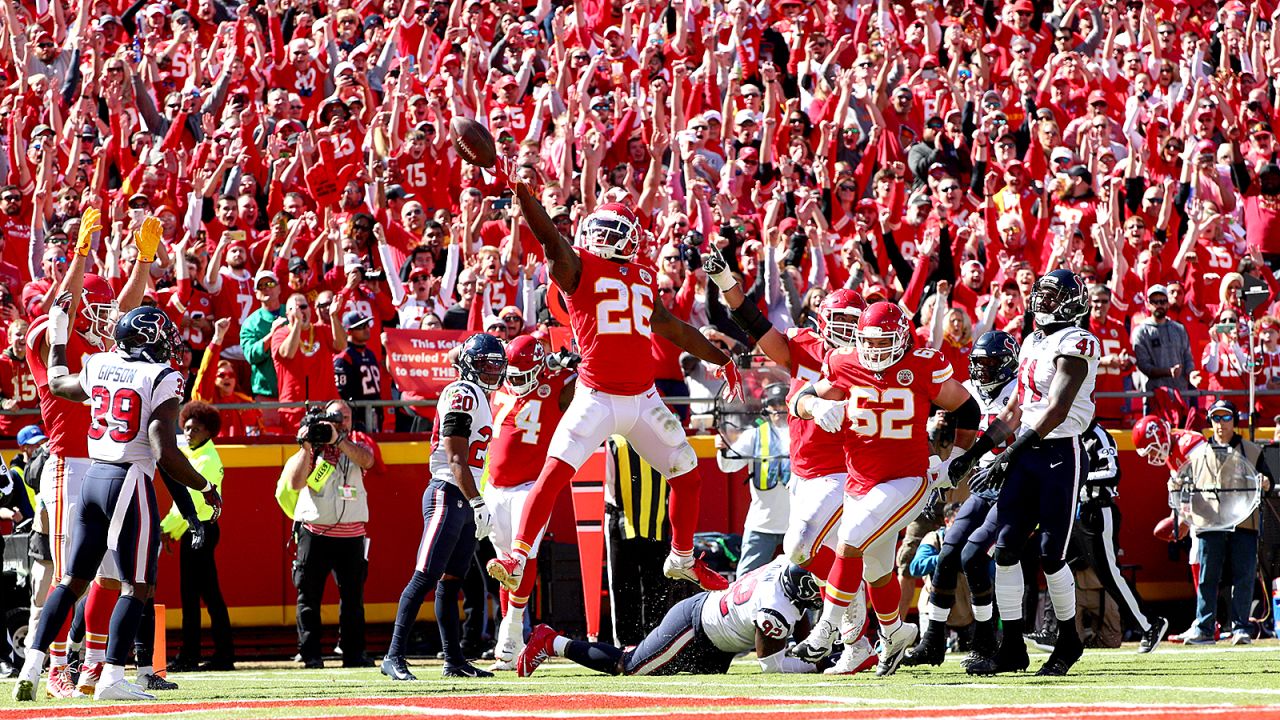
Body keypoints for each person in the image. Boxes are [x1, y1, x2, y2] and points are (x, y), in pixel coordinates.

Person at [487, 186, 739, 597]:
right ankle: (517, 556)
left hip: (643, 398)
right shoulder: (577, 267)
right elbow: (549, 236)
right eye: (599, 229)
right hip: (596, 395)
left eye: (611, 230)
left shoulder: (642, 275)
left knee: (688, 473)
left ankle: (680, 557)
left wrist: (720, 357)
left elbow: (673, 327)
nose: (603, 238)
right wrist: (522, 192)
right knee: (553, 473)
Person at [14, 305, 221, 702]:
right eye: (161, 336)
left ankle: (33, 665)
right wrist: (204, 487)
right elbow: (165, 452)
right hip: (129, 480)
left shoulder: (101, 363)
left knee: (73, 579)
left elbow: (57, 383)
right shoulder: (162, 376)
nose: (168, 345)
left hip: (94, 476)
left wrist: (59, 339)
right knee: (136, 584)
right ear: (147, 340)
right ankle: (110, 676)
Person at [787, 301, 979, 676]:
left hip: (907, 480)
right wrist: (814, 406)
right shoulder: (844, 362)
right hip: (860, 482)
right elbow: (797, 399)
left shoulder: (922, 364)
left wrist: (956, 459)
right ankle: (894, 634)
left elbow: (967, 409)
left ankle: (826, 629)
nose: (875, 351)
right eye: (869, 343)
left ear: (903, 337)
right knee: (877, 571)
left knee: (850, 540)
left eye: (884, 342)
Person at [712, 249, 876, 674]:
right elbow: (760, 329)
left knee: (801, 548)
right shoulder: (804, 345)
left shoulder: (869, 357)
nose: (843, 332)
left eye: (850, 325)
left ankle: (854, 636)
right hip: (804, 472)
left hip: (845, 470)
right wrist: (729, 285)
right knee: (833, 558)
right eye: (836, 323)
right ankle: (861, 642)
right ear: (821, 323)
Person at [960, 270, 1100, 677]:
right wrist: (977, 454)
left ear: (1073, 302)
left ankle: (1068, 641)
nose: (1043, 300)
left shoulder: (1078, 341)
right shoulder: (1031, 341)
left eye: (1053, 295)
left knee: (1051, 555)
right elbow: (1015, 412)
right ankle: (1012, 647)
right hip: (1024, 453)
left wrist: (1006, 458)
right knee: (1004, 550)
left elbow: (1056, 410)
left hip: (1060, 454)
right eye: (1042, 293)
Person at [381, 334, 507, 681]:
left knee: (452, 583)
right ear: (469, 363)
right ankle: (393, 656)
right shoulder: (462, 392)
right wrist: (478, 501)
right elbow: (454, 457)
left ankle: (454, 661)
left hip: (463, 497)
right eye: (485, 364)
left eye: (496, 365)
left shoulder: (481, 395)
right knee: (425, 575)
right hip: (448, 492)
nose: (491, 371)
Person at [905, 330, 1020, 669]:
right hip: (981, 484)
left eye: (990, 363)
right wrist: (936, 484)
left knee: (974, 558)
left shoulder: (1019, 391)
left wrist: (1001, 464)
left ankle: (985, 640)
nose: (983, 370)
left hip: (1015, 484)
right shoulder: (968, 393)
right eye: (978, 363)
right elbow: (961, 447)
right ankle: (933, 641)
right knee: (947, 555)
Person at [515, 559, 823, 677]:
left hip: (715, 636)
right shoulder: (776, 608)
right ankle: (551, 641)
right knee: (629, 667)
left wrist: (818, 650)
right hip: (695, 625)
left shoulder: (783, 568)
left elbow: (795, 629)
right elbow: (773, 666)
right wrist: (820, 663)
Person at [481, 335, 576, 671]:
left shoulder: (557, 383)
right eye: (512, 375)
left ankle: (510, 634)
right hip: (494, 486)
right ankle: (514, 640)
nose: (516, 382)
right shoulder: (502, 383)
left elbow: (585, 377)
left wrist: (569, 362)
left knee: (523, 557)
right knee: (505, 564)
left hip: (531, 487)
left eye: (524, 376)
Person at [281, 400, 379, 670]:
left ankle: (354, 654)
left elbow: (368, 460)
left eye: (345, 417)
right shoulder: (312, 444)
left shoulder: (358, 441)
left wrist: (339, 442)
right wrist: (306, 447)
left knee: (353, 600)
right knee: (308, 597)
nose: (340, 422)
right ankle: (310, 654)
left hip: (352, 534)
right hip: (315, 532)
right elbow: (295, 483)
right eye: (335, 417)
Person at [1171, 400, 1273, 645]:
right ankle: (1205, 627)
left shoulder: (1252, 450)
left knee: (1244, 575)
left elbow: (1267, 482)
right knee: (1207, 577)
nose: (1220, 424)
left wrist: (1266, 482)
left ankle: (1241, 627)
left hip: (1244, 522)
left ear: (1234, 420)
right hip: (1210, 521)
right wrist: (1176, 486)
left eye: (1226, 418)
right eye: (1216, 418)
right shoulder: (1199, 454)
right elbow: (1184, 484)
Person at [1067, 419, 1169, 654]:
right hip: (1077, 512)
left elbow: (1113, 472)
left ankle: (1149, 623)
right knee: (1057, 562)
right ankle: (1056, 631)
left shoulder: (1098, 435)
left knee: (1109, 575)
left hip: (1098, 511)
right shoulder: (1069, 433)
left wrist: (1078, 478)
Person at [165, 402, 234, 672]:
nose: (189, 431)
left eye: (196, 428)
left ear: (209, 431)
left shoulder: (206, 460)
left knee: (195, 596)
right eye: (187, 426)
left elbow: (192, 500)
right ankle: (218, 654)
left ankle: (194, 655)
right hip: (197, 529)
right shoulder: (194, 456)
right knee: (204, 595)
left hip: (200, 530)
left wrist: (166, 529)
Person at [715, 383, 791, 575]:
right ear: (767, 407)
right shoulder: (755, 435)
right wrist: (723, 447)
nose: (779, 408)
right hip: (762, 523)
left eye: (783, 403)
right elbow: (728, 465)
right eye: (774, 404)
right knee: (745, 579)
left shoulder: (803, 433)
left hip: (798, 524)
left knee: (808, 580)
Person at [1131, 285, 1194, 414]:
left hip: (1180, 396)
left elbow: (1188, 357)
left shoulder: (1179, 329)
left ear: (1168, 304)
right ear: (1148, 304)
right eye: (1155, 302)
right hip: (1154, 398)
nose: (1159, 305)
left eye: (1163, 301)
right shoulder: (1140, 332)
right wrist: (1168, 371)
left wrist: (1191, 373)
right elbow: (1143, 366)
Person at [333, 312, 383, 433]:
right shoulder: (345, 356)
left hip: (374, 411)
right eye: (361, 327)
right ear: (349, 331)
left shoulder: (370, 353)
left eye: (367, 325)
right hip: (357, 416)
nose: (366, 329)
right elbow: (343, 393)